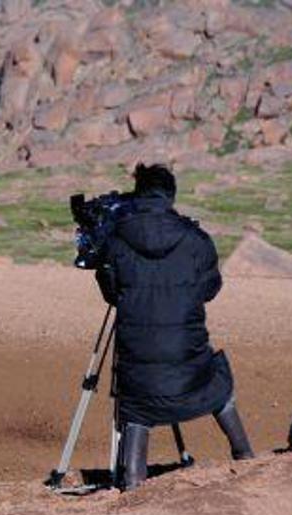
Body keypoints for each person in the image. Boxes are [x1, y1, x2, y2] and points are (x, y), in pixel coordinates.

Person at [95, 163, 254, 490]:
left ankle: (133, 480)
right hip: (191, 369)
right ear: (171, 195)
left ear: (137, 195)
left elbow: (111, 293)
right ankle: (245, 455)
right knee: (217, 384)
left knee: (137, 404)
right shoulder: (196, 239)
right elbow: (210, 289)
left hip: (140, 376)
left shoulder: (116, 239)